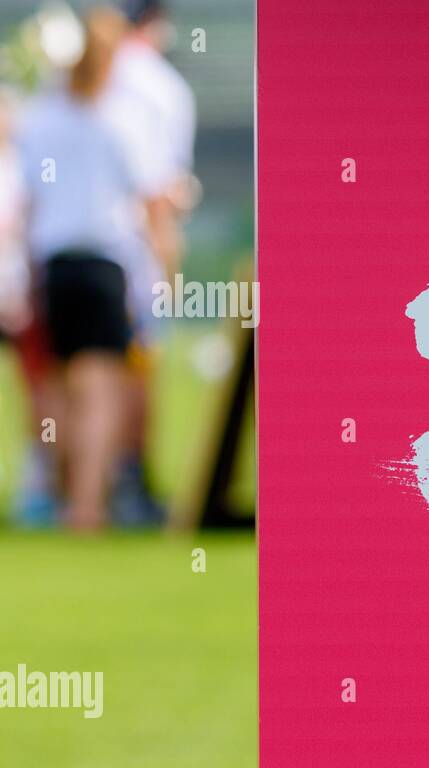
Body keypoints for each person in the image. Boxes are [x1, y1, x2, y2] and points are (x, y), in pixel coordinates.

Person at [16, 6, 172, 530]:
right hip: (104, 264)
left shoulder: (41, 117)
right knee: (101, 389)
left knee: (60, 388)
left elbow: (29, 202)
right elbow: (152, 202)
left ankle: (58, 493)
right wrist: (165, 272)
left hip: (52, 266)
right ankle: (86, 506)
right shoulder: (120, 119)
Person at [106, 0, 198, 525]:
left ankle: (75, 486)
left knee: (85, 374)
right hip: (134, 253)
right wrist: (168, 256)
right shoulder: (161, 87)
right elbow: (162, 189)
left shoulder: (83, 73)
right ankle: (130, 485)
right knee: (140, 366)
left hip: (68, 253)